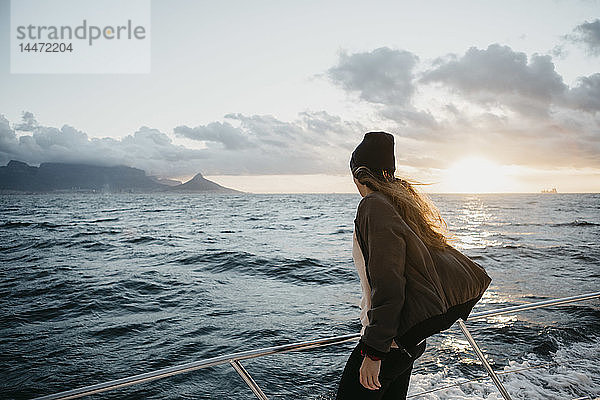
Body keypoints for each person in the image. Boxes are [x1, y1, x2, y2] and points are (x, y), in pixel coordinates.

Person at [335, 131, 492, 400]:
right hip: (409, 342)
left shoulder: (373, 205)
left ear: (358, 173)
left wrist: (374, 352)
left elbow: (388, 284)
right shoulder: (400, 204)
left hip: (388, 344)